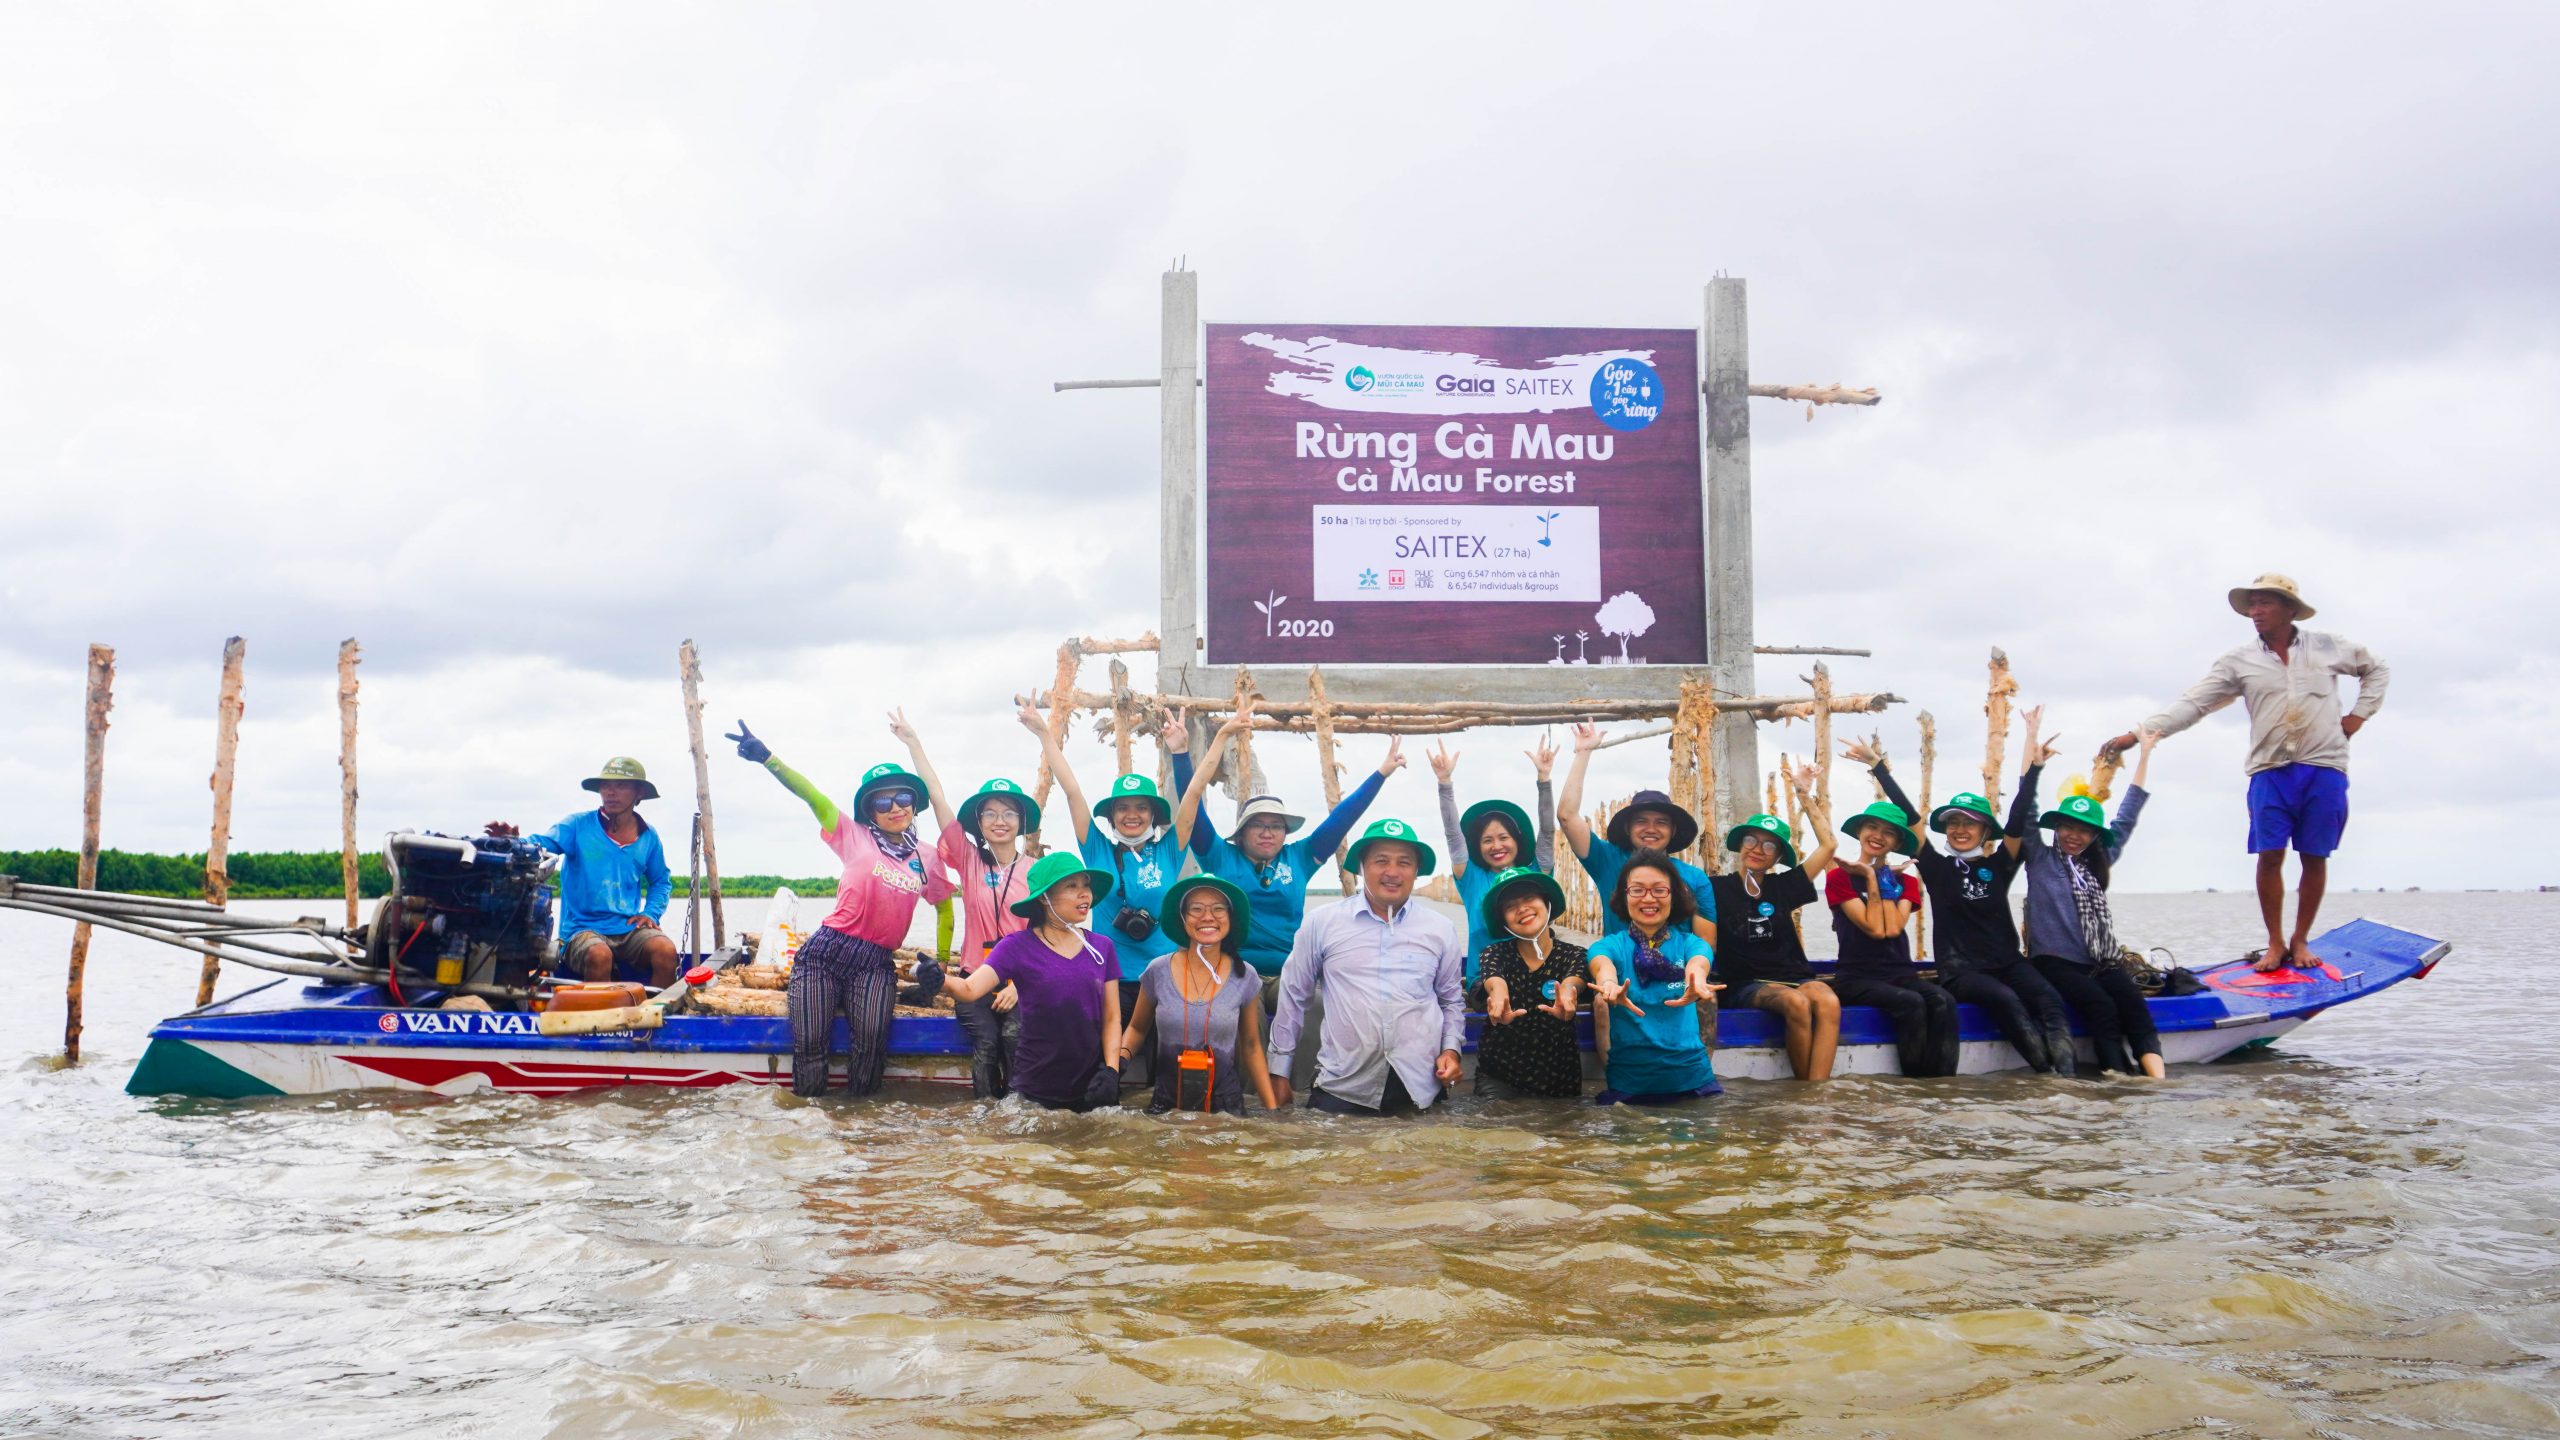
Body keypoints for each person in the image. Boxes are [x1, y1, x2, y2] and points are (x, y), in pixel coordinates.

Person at [2106, 573, 2388, 971]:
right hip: (2270, 769)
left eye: (2265, 603)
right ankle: (2275, 942)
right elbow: (2193, 704)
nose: (2256, 612)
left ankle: (2300, 939)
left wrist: (2358, 715)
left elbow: (2377, 669)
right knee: (2269, 856)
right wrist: (2136, 735)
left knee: (2315, 856)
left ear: (2289, 609)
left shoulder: (2326, 646)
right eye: (2252, 605)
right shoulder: (2239, 661)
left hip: (2324, 765)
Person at [724, 713, 955, 1097]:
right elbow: (811, 795)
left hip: (876, 962)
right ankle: (808, 1124)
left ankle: (858, 1129)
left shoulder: (928, 858)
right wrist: (767, 758)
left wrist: (942, 962)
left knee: (871, 1052)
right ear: (870, 810)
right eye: (883, 800)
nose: (895, 807)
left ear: (914, 804)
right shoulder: (853, 834)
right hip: (826, 954)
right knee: (811, 1048)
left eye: (903, 798)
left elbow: (945, 909)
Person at [1029, 700, 1240, 1090]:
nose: (1132, 814)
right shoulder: (1096, 849)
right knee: (1101, 1073)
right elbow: (1072, 790)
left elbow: (1194, 792)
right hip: (1110, 979)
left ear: (1153, 814)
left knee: (1169, 1080)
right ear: (1111, 815)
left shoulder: (1170, 849)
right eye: (1123, 808)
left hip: (1166, 979)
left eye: (1141, 807)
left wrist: (1198, 745)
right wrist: (1044, 733)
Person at [1859, 714, 2078, 1075]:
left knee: (2050, 999)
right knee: (2006, 1000)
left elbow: (2019, 818)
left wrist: (2035, 770)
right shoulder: (1935, 866)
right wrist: (1878, 767)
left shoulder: (2000, 864)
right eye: (1954, 823)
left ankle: (2067, 1080)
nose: (1961, 829)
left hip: (2009, 963)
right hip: (1961, 972)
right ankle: (2046, 1077)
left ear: (1985, 830)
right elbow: (1911, 816)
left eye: (1970, 823)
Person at [1176, 708, 1402, 977]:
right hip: (1232, 973)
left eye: (1276, 826)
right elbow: (1191, 804)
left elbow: (1342, 819)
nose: (1267, 832)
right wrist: (1180, 753)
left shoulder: (1299, 858)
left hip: (1289, 973)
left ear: (1285, 832)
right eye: (1258, 825)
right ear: (1242, 833)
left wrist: (1381, 774)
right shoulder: (1219, 854)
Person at [1265, 819, 1467, 1117]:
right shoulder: (1322, 922)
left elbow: (1451, 1001)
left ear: (1416, 871)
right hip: (1343, 1085)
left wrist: (1451, 1050)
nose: (1392, 872)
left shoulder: (1440, 928)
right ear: (1361, 867)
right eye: (1381, 861)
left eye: (1404, 862)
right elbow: (1293, 997)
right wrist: (1279, 1072)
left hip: (1419, 1087)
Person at [2019, 730, 2165, 1078]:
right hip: (2054, 963)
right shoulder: (2040, 858)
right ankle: (2117, 1078)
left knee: (2133, 1004)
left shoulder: (2098, 863)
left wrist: (2144, 754)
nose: (2074, 835)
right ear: (2056, 828)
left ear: (2095, 836)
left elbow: (2127, 816)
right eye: (2067, 827)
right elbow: (2026, 811)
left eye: (2084, 830)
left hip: (2100, 961)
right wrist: (2032, 756)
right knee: (2102, 1008)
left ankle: (2157, 1082)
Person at [935, 852, 1123, 1111]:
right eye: (1072, 886)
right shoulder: (1017, 946)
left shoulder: (1102, 947)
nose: (1084, 894)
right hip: (1035, 1088)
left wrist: (1111, 1071)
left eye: (1086, 885)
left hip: (1092, 1087)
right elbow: (969, 989)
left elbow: (1112, 1017)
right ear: (1044, 898)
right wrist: (939, 979)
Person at [484, 756, 677, 988]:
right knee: (599, 955)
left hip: (626, 927)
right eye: (605, 785)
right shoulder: (577, 825)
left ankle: (655, 1010)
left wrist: (651, 913)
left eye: (621, 785)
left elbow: (661, 881)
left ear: (639, 793)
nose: (611, 792)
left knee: (666, 952)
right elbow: (540, 845)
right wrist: (513, 841)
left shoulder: (649, 836)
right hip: (580, 929)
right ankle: (599, 1013)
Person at [1701, 764, 1841, 1082]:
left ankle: (1817, 1091)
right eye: (1751, 840)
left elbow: (1829, 846)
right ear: (1741, 844)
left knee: (1828, 1000)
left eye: (1769, 846)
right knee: (1796, 1003)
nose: (1757, 849)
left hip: (1793, 976)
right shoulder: (1714, 887)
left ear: (1778, 857)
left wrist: (1803, 794)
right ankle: (1805, 1090)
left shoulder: (1785, 886)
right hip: (1744, 984)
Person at [1117, 875, 1281, 1114]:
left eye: (1218, 909)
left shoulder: (1245, 975)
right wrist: (1116, 1066)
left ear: (1230, 918)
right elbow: (1137, 1029)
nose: (1207, 917)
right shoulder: (1157, 970)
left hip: (1225, 1109)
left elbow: (1251, 1046)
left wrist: (1272, 1110)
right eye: (1196, 909)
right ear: (1183, 918)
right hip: (1167, 1105)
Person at [1821, 795, 1959, 1078]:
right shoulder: (1839, 878)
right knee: (1911, 1003)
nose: (1878, 836)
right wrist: (1872, 878)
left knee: (1943, 1000)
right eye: (1872, 827)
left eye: (1889, 832)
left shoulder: (1906, 881)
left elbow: (1894, 927)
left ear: (1896, 843)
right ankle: (1915, 1085)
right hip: (1856, 978)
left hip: (1901, 974)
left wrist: (1881, 877)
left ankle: (1941, 1086)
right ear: (1859, 831)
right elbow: (1874, 928)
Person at [1556, 723, 1717, 941]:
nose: (1651, 829)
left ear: (1673, 831)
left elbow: (1706, 945)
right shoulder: (1607, 860)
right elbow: (1567, 816)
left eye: (1661, 822)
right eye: (1641, 821)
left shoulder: (1695, 878)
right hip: (1617, 964)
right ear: (1627, 828)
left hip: (1679, 963)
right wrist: (1583, 753)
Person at [1584, 853, 1723, 1105]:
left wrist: (1696, 980)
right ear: (1624, 896)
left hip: (1694, 1082)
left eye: (1659, 890)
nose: (1648, 899)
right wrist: (1608, 984)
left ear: (1674, 896)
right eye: (1637, 890)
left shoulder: (1691, 944)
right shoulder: (1609, 945)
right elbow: (1602, 964)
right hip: (1629, 1086)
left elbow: (1699, 962)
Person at [1429, 735, 1559, 980]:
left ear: (1517, 841)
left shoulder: (1536, 873)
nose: (1496, 846)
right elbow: (1453, 834)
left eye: (1503, 837)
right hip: (1484, 981)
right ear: (1477, 847)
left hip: (1535, 980)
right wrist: (1444, 783)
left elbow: (1547, 830)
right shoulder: (1471, 878)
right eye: (1487, 840)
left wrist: (1544, 780)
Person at [1466, 866, 1589, 1099]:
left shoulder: (1576, 955)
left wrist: (1567, 994)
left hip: (1560, 1078)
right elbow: (1494, 981)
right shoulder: (1494, 953)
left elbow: (1574, 981)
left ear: (1547, 903)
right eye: (1510, 906)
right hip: (1499, 1077)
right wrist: (1498, 1000)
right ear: (1503, 919)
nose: (1522, 908)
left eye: (1529, 898)